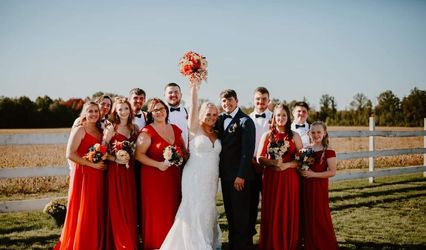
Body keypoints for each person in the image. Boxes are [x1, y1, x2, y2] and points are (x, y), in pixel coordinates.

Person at [161, 79, 222, 249]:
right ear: (201, 114)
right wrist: (194, 86)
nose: (211, 117)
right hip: (194, 175)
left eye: (214, 114)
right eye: (208, 114)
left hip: (211, 178)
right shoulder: (194, 128)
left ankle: (207, 240)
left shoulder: (217, 134)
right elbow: (194, 105)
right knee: (194, 206)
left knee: (207, 207)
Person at [54, 101, 106, 250]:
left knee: (96, 208)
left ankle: (96, 242)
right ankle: (83, 243)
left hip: (98, 174)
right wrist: (91, 165)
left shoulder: (100, 130)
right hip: (84, 173)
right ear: (84, 113)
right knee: (85, 208)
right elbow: (69, 154)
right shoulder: (80, 130)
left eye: (96, 111)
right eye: (90, 111)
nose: (94, 114)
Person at [135, 98, 186, 250]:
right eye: (155, 110)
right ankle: (156, 244)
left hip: (173, 177)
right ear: (150, 113)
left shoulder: (175, 128)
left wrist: (180, 157)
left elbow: (183, 150)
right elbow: (138, 155)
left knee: (173, 209)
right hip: (153, 177)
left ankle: (174, 244)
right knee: (157, 212)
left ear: (166, 110)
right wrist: (159, 165)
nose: (159, 112)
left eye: (162, 108)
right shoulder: (147, 131)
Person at [257, 103, 302, 250]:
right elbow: (259, 157)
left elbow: (302, 160)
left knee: (288, 210)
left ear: (288, 117)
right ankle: (272, 244)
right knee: (273, 211)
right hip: (272, 178)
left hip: (289, 178)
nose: (281, 118)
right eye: (278, 115)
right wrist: (273, 162)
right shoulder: (267, 135)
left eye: (284, 115)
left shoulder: (294, 136)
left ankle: (288, 244)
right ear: (274, 117)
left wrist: (286, 165)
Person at [215, 89, 256, 250]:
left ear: (236, 101)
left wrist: (241, 175)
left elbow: (247, 152)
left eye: (230, 100)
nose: (227, 103)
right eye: (224, 101)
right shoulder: (219, 120)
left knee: (241, 216)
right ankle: (234, 245)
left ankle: (242, 246)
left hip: (240, 178)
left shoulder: (245, 121)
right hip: (225, 177)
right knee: (231, 215)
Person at [103, 98, 139, 250]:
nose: (123, 112)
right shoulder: (112, 128)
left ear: (130, 111)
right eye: (120, 109)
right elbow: (102, 150)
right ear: (116, 112)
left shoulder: (134, 128)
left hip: (129, 171)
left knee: (129, 205)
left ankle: (131, 241)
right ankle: (121, 244)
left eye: (126, 108)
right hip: (115, 172)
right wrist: (115, 159)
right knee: (117, 205)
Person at [300, 121, 338, 250]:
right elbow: (302, 167)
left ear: (324, 133)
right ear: (309, 133)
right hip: (304, 187)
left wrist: (313, 175)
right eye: (313, 132)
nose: (316, 135)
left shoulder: (328, 151)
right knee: (307, 216)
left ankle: (323, 245)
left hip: (318, 188)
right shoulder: (305, 149)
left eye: (318, 132)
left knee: (319, 217)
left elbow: (332, 172)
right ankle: (309, 244)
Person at [248, 87, 273, 241]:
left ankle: (270, 236)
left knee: (270, 203)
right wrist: (253, 161)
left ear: (268, 100)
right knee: (250, 204)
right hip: (251, 166)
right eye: (258, 99)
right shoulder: (247, 118)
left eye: (264, 99)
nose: (261, 102)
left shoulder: (275, 118)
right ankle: (249, 236)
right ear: (254, 100)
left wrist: (267, 162)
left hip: (270, 167)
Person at [164, 82, 189, 147]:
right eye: (170, 92)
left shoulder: (187, 112)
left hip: (185, 153)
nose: (173, 94)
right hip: (164, 153)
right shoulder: (160, 113)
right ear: (164, 95)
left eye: (176, 92)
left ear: (181, 95)